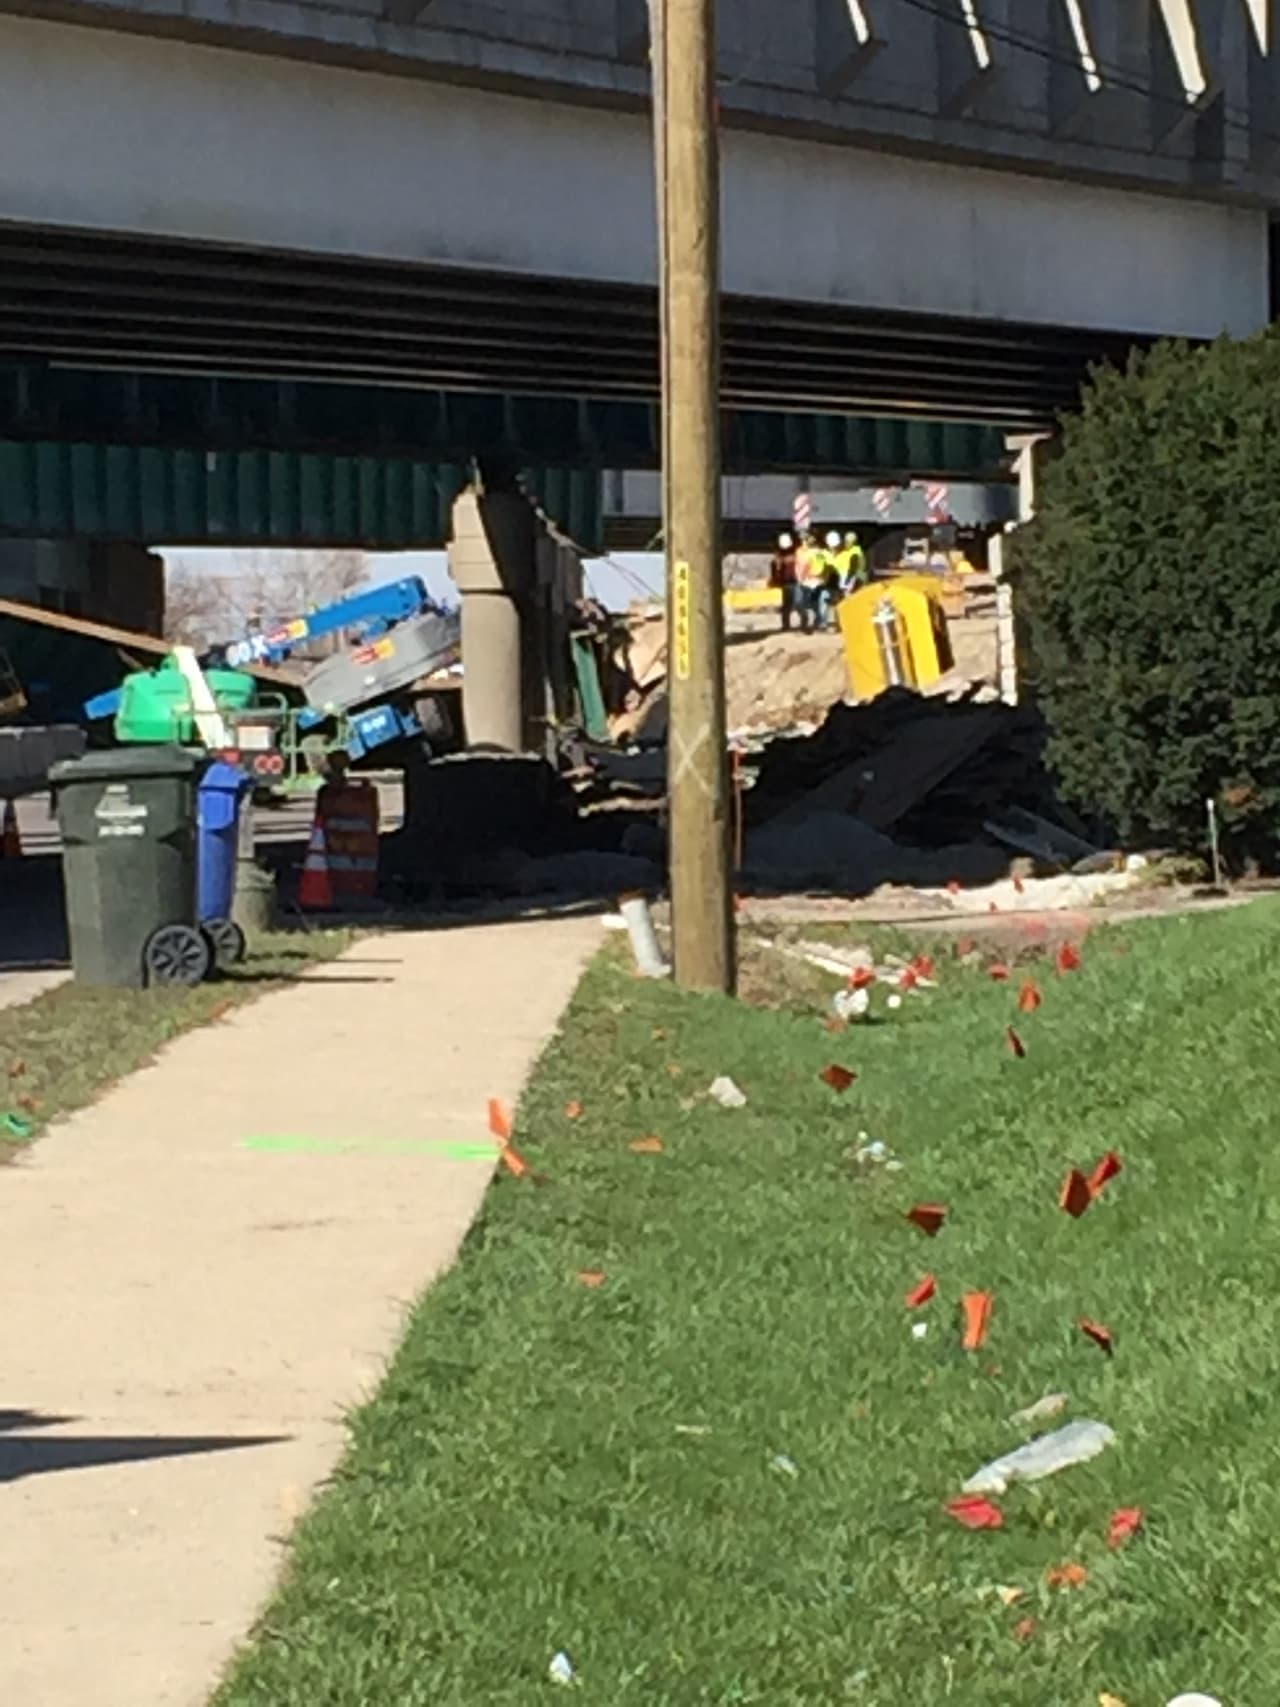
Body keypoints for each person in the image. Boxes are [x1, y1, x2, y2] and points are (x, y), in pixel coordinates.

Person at [769, 531, 800, 631]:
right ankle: (786, 625)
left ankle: (790, 625)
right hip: (786, 583)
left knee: (795, 603)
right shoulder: (778, 558)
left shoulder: (795, 555)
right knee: (787, 605)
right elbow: (775, 570)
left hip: (793, 582)